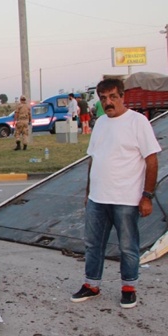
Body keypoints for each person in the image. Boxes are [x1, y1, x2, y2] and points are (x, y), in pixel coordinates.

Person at [71, 78, 161, 309]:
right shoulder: (100, 123)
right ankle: (92, 285)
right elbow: (94, 159)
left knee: (128, 246)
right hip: (98, 199)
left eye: (112, 97)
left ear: (122, 97)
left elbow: (151, 161)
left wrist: (147, 196)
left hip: (126, 199)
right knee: (93, 244)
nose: (108, 102)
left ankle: (128, 288)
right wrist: (89, 192)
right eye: (103, 98)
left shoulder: (138, 122)